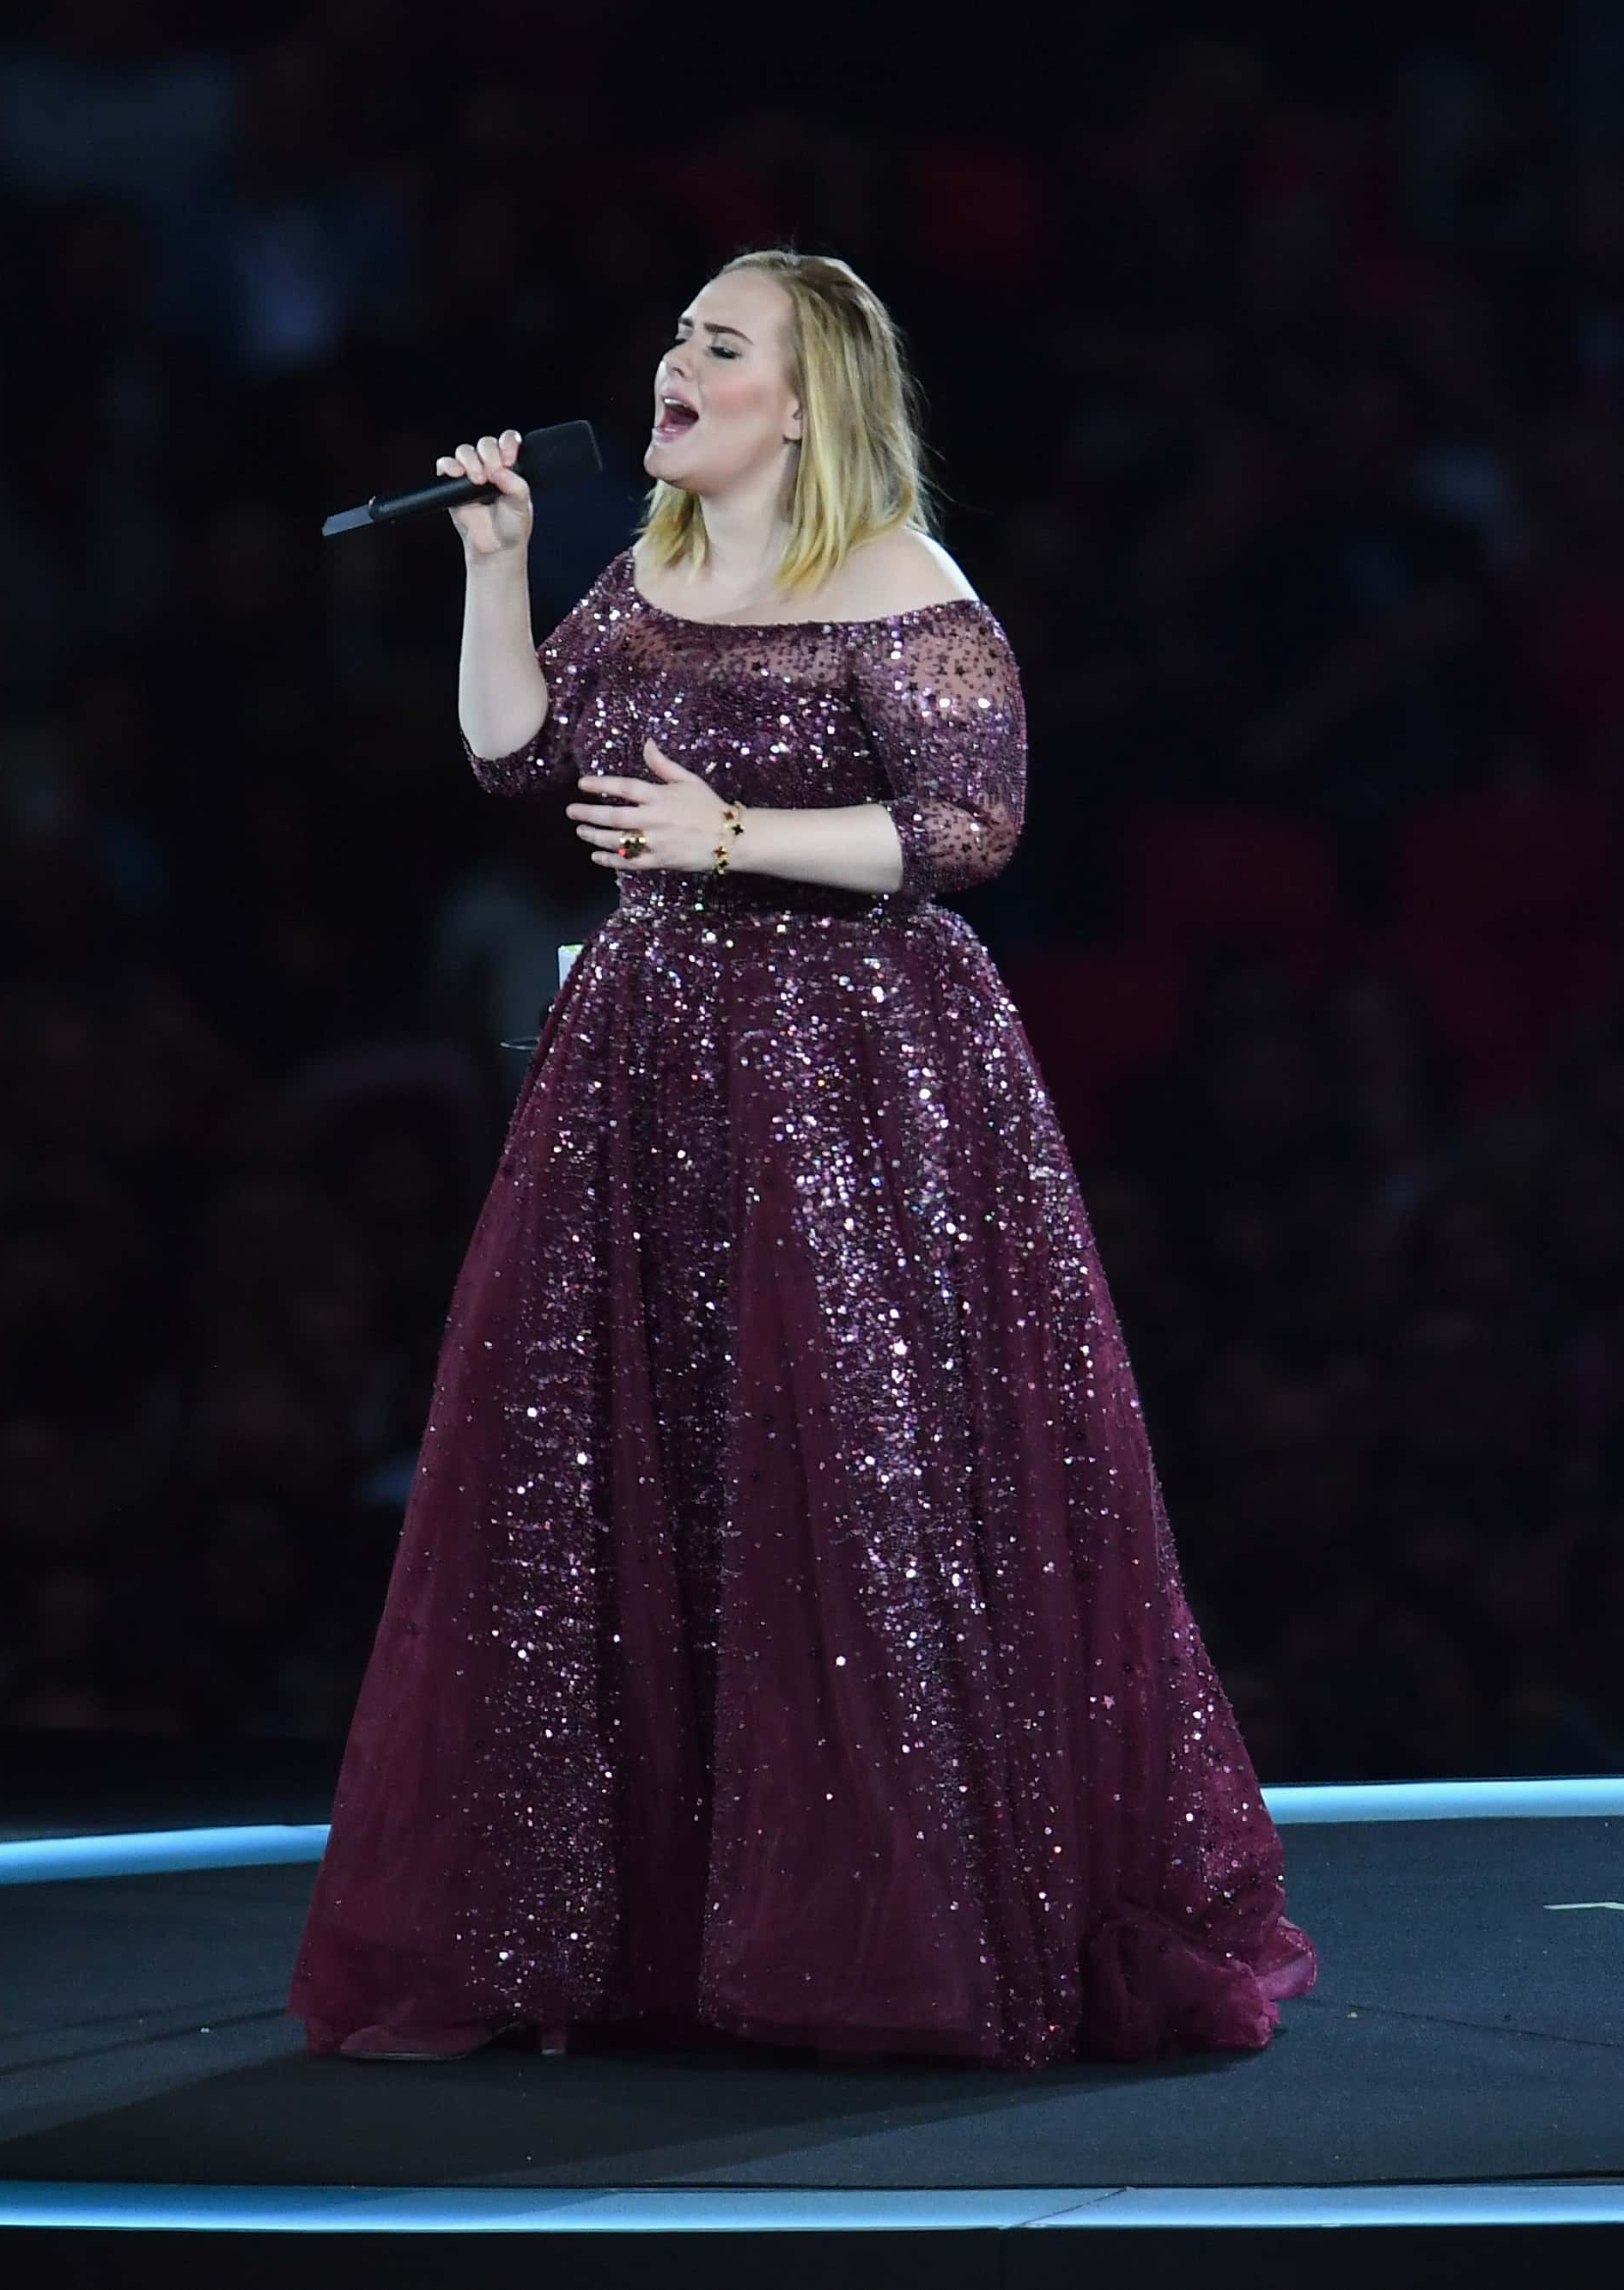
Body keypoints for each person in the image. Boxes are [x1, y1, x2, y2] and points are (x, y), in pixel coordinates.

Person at [289, 250, 1318, 2067]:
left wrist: (732, 826)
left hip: (852, 1064)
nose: (670, 362)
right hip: (648, 1058)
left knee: (844, 1469)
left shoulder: (907, 586)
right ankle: (633, 1937)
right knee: (629, 1455)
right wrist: (496, 564)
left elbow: (971, 826)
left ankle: (874, 1933)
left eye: (716, 341)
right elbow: (512, 757)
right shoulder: (653, 566)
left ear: (804, 396)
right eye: (676, 333)